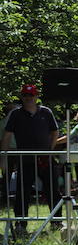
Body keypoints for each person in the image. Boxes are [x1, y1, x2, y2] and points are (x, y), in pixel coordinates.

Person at [1, 84, 60, 235]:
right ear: (22, 97)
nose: (28, 98)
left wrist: (50, 150)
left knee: (52, 190)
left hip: (45, 159)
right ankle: (21, 224)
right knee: (22, 192)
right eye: (25, 96)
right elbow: (7, 136)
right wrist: (4, 157)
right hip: (25, 159)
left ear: (36, 96)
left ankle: (57, 222)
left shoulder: (46, 112)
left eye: (31, 95)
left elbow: (55, 132)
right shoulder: (15, 114)